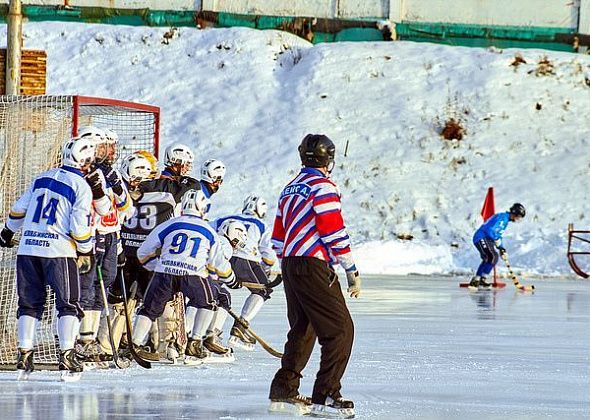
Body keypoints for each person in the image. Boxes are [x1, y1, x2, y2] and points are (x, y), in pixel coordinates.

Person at [268, 134, 361, 418]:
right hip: (313, 264)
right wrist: (350, 269)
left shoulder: (290, 188)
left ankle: (284, 389)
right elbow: (332, 230)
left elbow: (278, 236)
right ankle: (326, 394)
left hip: (290, 263)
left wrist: (288, 263)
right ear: (328, 160)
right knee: (340, 330)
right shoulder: (324, 187)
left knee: (303, 328)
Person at [0, 136, 97, 380]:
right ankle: (66, 355)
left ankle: (24, 354)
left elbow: (18, 209)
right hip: (58, 251)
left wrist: (7, 231)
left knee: (29, 304)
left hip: (28, 248)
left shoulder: (41, 177)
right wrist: (86, 249)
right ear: (84, 160)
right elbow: (78, 226)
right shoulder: (81, 186)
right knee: (68, 304)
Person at [132, 189, 237, 361]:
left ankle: (135, 344)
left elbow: (143, 252)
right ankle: (195, 342)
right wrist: (231, 278)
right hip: (193, 274)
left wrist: (154, 266)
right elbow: (219, 264)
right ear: (202, 208)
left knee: (149, 309)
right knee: (208, 303)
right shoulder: (208, 229)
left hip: (164, 273)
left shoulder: (169, 224)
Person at [212, 195, 277, 350]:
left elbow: (207, 229)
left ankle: (212, 331)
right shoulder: (261, 224)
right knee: (263, 290)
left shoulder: (226, 217)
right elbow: (269, 255)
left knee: (216, 292)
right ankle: (239, 328)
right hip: (247, 259)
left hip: (223, 256)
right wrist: (265, 269)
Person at [469, 203, 526, 289]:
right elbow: (490, 230)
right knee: (492, 256)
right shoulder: (502, 218)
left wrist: (501, 248)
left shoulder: (505, 220)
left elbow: (498, 235)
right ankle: (477, 279)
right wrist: (496, 240)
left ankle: (481, 279)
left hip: (488, 239)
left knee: (491, 258)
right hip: (481, 237)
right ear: (514, 213)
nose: (518, 219)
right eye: (518, 217)